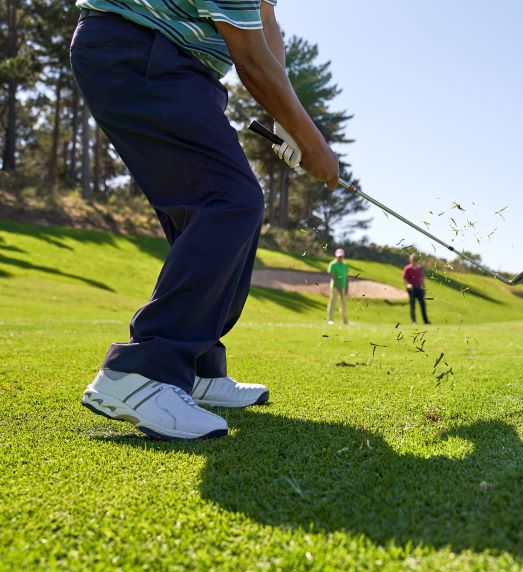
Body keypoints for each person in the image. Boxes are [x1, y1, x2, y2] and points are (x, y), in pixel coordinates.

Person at [72, 0, 340, 440]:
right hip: (138, 49)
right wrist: (313, 144)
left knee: (218, 211)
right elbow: (251, 58)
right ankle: (141, 373)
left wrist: (286, 119)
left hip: (175, 65)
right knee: (230, 201)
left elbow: (266, 21)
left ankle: (196, 367)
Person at [402, 254, 430, 324]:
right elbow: (405, 279)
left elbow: (422, 279)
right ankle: (413, 321)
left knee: (423, 305)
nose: (414, 261)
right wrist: (408, 285)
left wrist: (424, 288)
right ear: (410, 260)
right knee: (413, 305)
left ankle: (426, 321)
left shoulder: (419, 268)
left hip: (419, 289)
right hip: (412, 289)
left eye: (415, 260)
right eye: (413, 260)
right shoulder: (407, 268)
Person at [327, 248, 350, 325]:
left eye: (341, 256)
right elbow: (332, 276)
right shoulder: (332, 264)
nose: (340, 257)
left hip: (343, 287)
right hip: (334, 287)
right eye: (339, 256)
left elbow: (346, 277)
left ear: (343, 256)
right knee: (332, 302)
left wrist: (346, 287)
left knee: (343, 303)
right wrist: (338, 286)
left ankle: (344, 321)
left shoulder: (345, 265)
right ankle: (330, 320)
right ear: (336, 256)